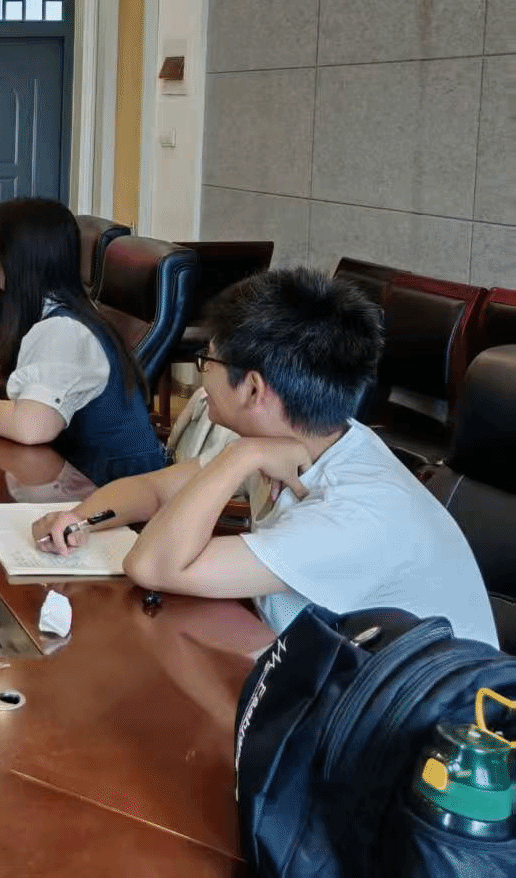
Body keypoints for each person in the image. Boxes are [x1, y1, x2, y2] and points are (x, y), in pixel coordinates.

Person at [30, 268, 498, 645]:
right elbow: (153, 490)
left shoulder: (349, 511)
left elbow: (153, 566)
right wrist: (79, 518)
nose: (201, 374)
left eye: (207, 361)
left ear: (253, 389)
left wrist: (240, 456)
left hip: (434, 723)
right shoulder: (311, 437)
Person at [0, 197, 167, 495]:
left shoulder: (63, 331)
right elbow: (5, 366)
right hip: (87, 485)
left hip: (114, 497)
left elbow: (31, 427)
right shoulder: (59, 309)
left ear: (13, 260)